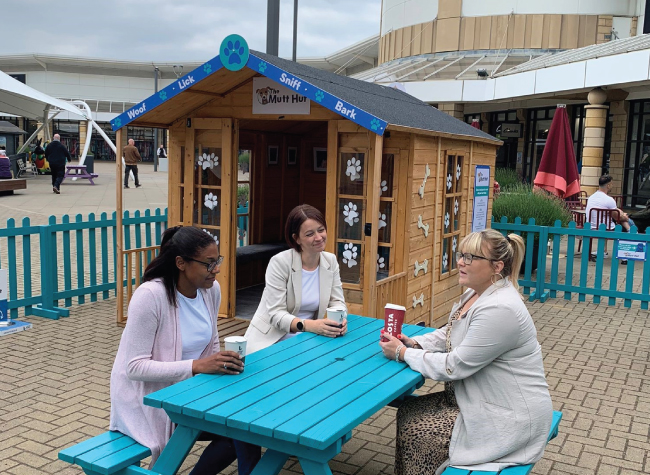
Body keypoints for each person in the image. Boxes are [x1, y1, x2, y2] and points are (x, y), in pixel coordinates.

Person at [380, 229, 553, 475]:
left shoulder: (500, 308)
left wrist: (402, 353)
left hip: (509, 415)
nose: (461, 262)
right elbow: (448, 333)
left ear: (497, 266)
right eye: (461, 254)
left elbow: (454, 366)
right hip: (475, 399)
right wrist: (414, 343)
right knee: (409, 410)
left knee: (418, 430)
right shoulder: (476, 293)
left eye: (471, 257)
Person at [110, 226, 260, 474]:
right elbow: (134, 367)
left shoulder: (210, 291)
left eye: (217, 261)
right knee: (239, 430)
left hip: (188, 392)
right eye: (208, 264)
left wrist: (220, 365)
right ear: (181, 263)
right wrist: (196, 367)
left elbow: (211, 345)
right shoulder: (150, 296)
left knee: (246, 426)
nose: (217, 270)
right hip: (147, 400)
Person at [244, 204, 347, 354]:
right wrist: (309, 325)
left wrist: (340, 320)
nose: (318, 237)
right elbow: (276, 314)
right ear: (296, 238)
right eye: (309, 234)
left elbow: (337, 301)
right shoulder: (280, 262)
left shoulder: (330, 261)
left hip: (307, 339)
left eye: (321, 230)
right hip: (271, 341)